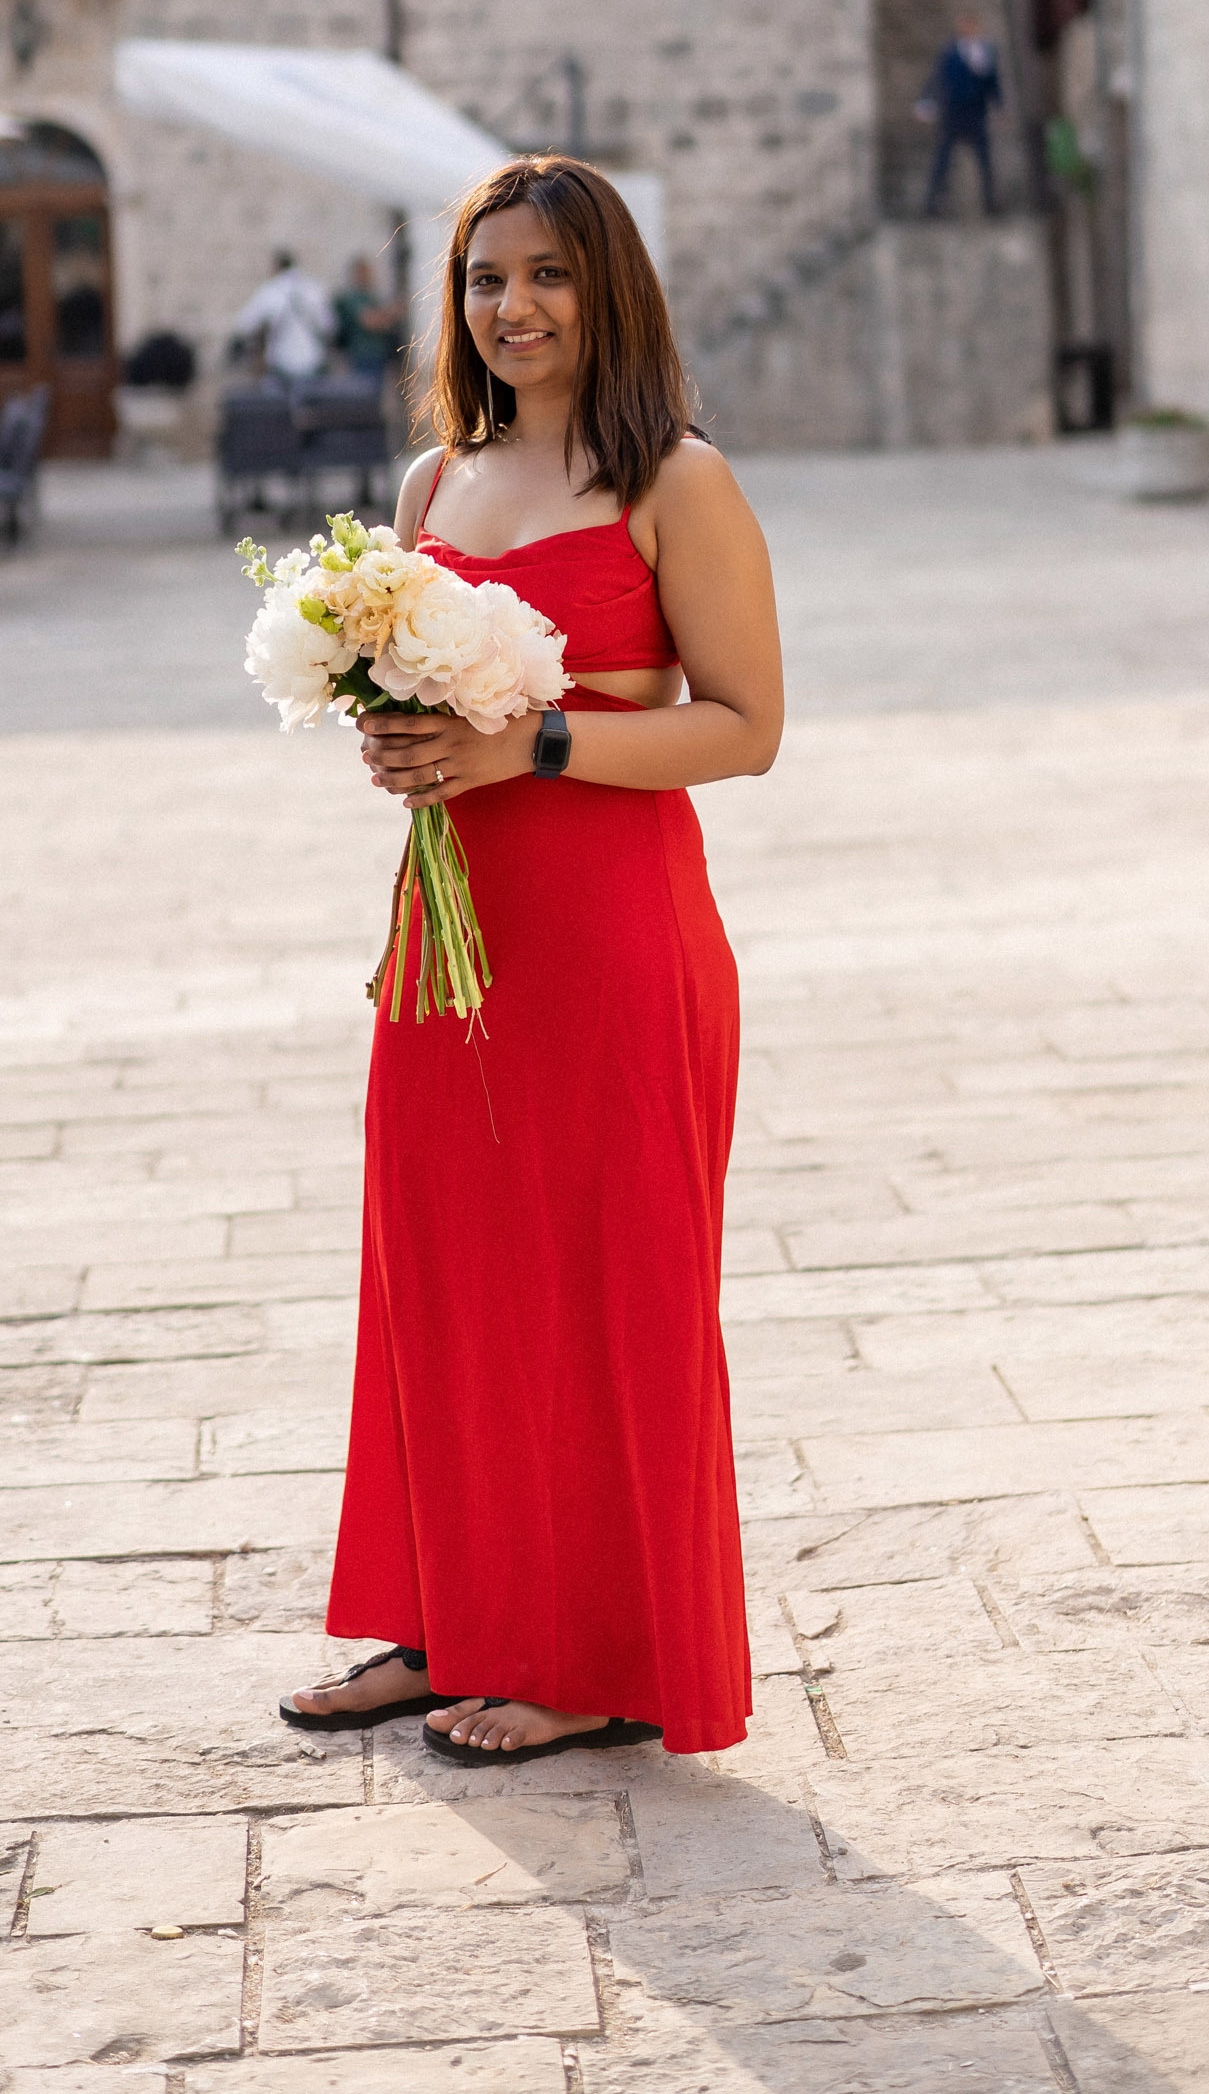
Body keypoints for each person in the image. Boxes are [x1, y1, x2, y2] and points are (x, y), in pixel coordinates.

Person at [282, 156, 783, 1763]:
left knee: (606, 1286)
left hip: (616, 938)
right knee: (439, 1268)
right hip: (448, 933)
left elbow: (748, 727)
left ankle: (596, 1658)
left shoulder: (675, 480)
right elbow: (433, 712)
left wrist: (534, 748)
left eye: (549, 276)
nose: (514, 306)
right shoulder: (433, 490)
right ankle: (448, 1623)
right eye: (488, 278)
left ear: (608, 288)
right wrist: (405, 747)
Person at [918, 30, 1003, 217]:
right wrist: (927, 102)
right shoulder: (950, 53)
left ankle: (990, 201)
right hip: (953, 113)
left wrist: (999, 107)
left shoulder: (984, 53)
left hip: (975, 113)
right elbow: (937, 78)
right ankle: (933, 202)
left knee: (984, 160)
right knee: (943, 160)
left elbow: (992, 82)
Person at [231, 249, 332, 382]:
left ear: (276, 266)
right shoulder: (314, 288)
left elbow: (245, 324)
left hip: (282, 361)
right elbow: (329, 326)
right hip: (314, 360)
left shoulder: (271, 290)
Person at [333, 254, 403, 380]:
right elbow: (369, 321)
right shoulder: (352, 297)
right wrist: (389, 314)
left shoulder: (371, 296)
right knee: (363, 392)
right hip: (362, 353)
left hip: (378, 353)